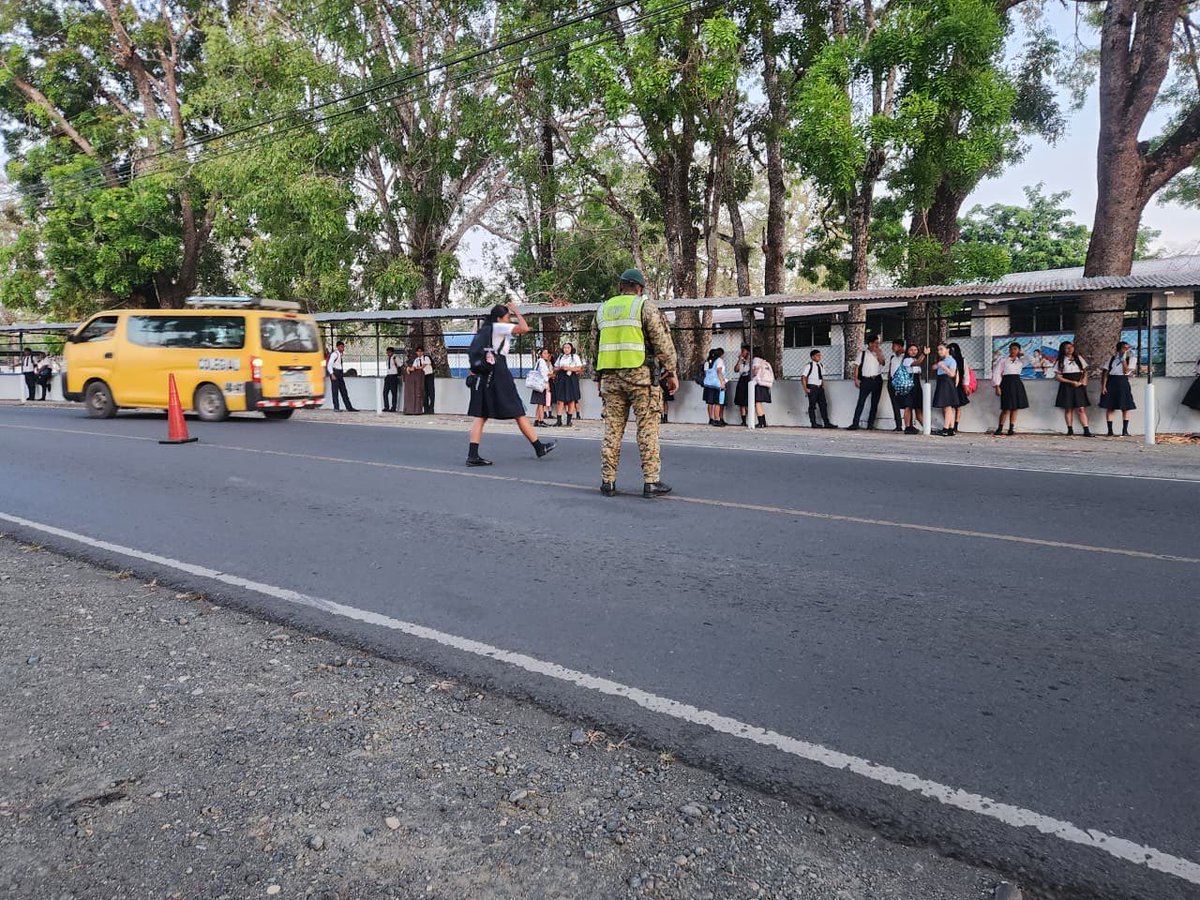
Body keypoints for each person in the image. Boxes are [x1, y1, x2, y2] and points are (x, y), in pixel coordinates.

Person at [594, 267, 677, 497]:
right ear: (640, 289)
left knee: (612, 431)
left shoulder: (603, 309)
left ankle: (607, 481)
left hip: (610, 380)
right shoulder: (644, 306)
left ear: (620, 287)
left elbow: (594, 346)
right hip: (641, 379)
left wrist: (596, 377)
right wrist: (671, 371)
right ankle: (651, 482)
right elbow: (663, 343)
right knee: (647, 430)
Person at [465, 303, 556, 466]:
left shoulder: (484, 331)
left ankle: (472, 455)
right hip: (498, 372)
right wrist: (517, 311)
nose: (509, 319)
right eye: (508, 317)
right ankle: (538, 446)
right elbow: (524, 328)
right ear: (500, 318)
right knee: (517, 410)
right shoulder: (499, 327)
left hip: (484, 374)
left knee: (481, 415)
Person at [1053, 341, 1094, 436]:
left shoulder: (1079, 358)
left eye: (1071, 347)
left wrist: (1084, 380)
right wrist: (1071, 382)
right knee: (1069, 408)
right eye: (1067, 347)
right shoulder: (1060, 361)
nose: (1070, 349)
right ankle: (1070, 430)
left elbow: (1084, 371)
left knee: (1081, 408)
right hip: (1067, 385)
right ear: (1063, 349)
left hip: (1079, 385)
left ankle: (1086, 430)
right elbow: (1058, 377)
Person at [848, 334, 885, 430]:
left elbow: (883, 362)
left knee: (874, 403)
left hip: (877, 379)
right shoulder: (863, 353)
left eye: (878, 343)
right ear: (870, 343)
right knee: (861, 402)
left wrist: (878, 353)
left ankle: (870, 424)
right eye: (875, 343)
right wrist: (856, 379)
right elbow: (856, 366)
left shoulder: (879, 352)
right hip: (866, 380)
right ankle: (855, 423)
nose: (877, 345)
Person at [1099, 340, 1136, 436]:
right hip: (1112, 382)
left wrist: (1123, 360)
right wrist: (1103, 386)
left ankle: (1125, 430)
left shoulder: (1131, 359)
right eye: (1125, 348)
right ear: (1119, 349)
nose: (1127, 350)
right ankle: (1110, 430)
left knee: (1126, 406)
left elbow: (1126, 372)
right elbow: (1105, 373)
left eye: (1128, 348)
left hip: (1122, 381)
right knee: (1110, 407)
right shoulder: (1112, 359)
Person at [992, 342, 1029, 436]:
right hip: (1006, 383)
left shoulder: (1020, 361)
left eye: (1015, 349)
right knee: (1006, 407)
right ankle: (1000, 427)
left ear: (1019, 350)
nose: (1013, 351)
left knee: (1015, 407)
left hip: (1016, 382)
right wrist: (997, 386)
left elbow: (1030, 359)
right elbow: (997, 372)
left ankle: (1011, 428)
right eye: (1011, 349)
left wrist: (1023, 354)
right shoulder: (1003, 360)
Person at [931, 342, 961, 436]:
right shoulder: (942, 360)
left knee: (947, 407)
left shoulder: (951, 361)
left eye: (941, 349)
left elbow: (952, 374)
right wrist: (938, 365)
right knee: (945, 407)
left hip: (947, 382)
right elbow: (934, 367)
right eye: (938, 349)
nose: (939, 351)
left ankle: (945, 429)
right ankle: (951, 429)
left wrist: (943, 366)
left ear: (947, 350)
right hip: (941, 382)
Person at [801, 349, 836, 428]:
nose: (819, 357)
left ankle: (826, 423)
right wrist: (805, 388)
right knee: (812, 405)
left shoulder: (821, 365)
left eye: (820, 355)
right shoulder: (809, 366)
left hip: (819, 387)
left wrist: (822, 385)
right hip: (812, 387)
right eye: (817, 355)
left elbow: (822, 376)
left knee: (823, 405)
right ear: (812, 357)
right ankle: (813, 423)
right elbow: (804, 377)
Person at [552, 342, 584, 426]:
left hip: (571, 378)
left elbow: (579, 367)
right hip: (562, 378)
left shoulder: (575, 357)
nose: (566, 349)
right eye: (564, 348)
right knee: (560, 399)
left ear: (571, 348)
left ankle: (569, 420)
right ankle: (559, 420)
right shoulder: (561, 357)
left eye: (568, 348)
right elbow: (554, 368)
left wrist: (569, 368)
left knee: (572, 399)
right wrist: (560, 368)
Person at [901, 344, 927, 434]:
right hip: (909, 384)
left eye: (915, 350)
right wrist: (924, 354)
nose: (913, 351)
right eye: (911, 349)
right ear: (907, 351)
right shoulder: (907, 360)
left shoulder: (915, 359)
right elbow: (917, 363)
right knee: (908, 406)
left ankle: (926, 426)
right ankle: (908, 426)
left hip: (916, 384)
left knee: (918, 407)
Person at [326, 341, 356, 411]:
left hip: (339, 373)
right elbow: (329, 365)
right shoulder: (335, 354)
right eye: (342, 347)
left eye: (343, 347)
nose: (343, 348)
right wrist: (332, 374)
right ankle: (336, 408)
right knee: (335, 391)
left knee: (344, 391)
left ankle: (349, 407)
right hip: (335, 373)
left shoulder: (340, 354)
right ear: (338, 347)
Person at [885, 339, 907, 432]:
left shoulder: (905, 357)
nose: (892, 348)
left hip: (902, 382)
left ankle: (908, 424)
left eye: (894, 346)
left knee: (907, 404)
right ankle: (898, 425)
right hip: (892, 381)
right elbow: (890, 368)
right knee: (895, 404)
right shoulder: (892, 357)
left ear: (900, 346)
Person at [528, 347, 554, 426]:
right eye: (544, 353)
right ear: (541, 354)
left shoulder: (539, 362)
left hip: (537, 385)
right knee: (541, 403)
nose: (546, 355)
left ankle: (537, 420)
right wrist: (548, 381)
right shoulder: (542, 362)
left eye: (547, 353)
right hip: (541, 385)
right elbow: (544, 374)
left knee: (539, 403)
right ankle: (541, 421)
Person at [948, 342, 970, 433]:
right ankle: (949, 424)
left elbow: (966, 373)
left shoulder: (962, 360)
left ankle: (955, 425)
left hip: (958, 385)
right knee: (948, 406)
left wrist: (966, 385)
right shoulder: (946, 360)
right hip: (948, 385)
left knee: (958, 406)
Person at [702, 348, 727, 426]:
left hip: (708, 383)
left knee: (710, 402)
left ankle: (711, 418)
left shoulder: (708, 361)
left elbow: (706, 372)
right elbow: (719, 371)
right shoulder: (719, 360)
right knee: (718, 402)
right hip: (717, 383)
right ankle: (717, 419)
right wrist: (722, 381)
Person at [750, 353, 773, 428]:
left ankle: (761, 422)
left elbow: (755, 372)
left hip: (758, 383)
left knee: (757, 403)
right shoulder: (765, 362)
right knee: (760, 404)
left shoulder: (756, 360)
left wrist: (752, 371)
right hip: (765, 384)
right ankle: (763, 422)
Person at [405, 346, 431, 415]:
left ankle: (430, 409)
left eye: (421, 351)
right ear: (416, 352)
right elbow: (414, 368)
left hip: (428, 376)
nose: (419, 353)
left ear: (423, 352)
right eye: (418, 351)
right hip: (420, 378)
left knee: (430, 393)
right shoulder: (416, 360)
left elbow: (422, 367)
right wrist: (409, 368)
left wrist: (415, 368)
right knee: (423, 393)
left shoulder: (426, 358)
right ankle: (423, 409)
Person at [732, 344, 752, 425]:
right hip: (742, 380)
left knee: (748, 400)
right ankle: (743, 421)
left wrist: (747, 360)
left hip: (748, 379)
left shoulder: (751, 361)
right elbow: (736, 370)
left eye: (743, 351)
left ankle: (750, 418)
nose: (742, 352)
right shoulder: (741, 361)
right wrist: (740, 360)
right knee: (741, 401)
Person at [382, 347, 401, 412]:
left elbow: (400, 365)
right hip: (388, 376)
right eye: (387, 352)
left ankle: (393, 407)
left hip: (394, 376)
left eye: (389, 352)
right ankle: (386, 406)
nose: (388, 353)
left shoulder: (396, 358)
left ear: (392, 352)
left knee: (394, 393)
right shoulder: (387, 359)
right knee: (385, 392)